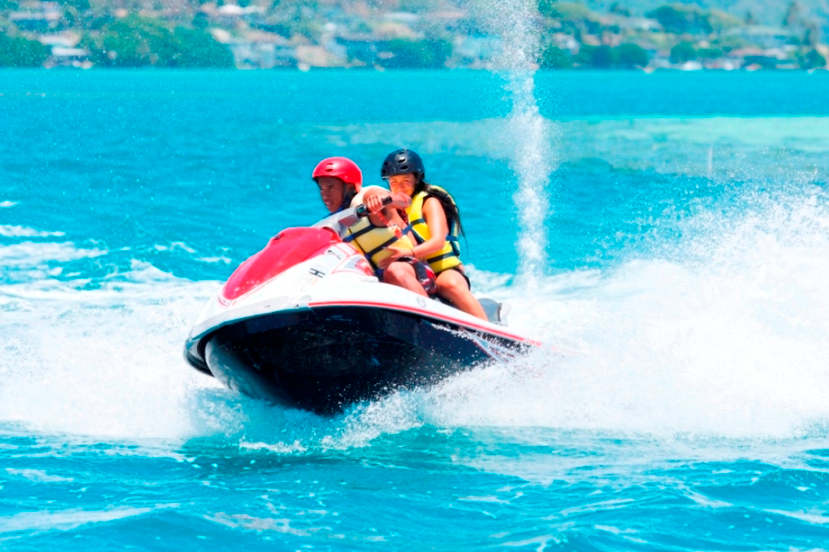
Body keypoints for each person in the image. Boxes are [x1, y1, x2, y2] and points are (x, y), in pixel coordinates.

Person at [376, 149, 488, 321]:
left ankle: (488, 330)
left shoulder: (429, 202)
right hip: (416, 269)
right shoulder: (392, 207)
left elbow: (438, 241)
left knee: (449, 284)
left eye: (405, 181)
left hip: (442, 268)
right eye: (394, 182)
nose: (399, 187)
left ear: (417, 179)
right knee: (392, 273)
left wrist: (408, 253)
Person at [312, 156, 436, 296]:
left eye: (330, 187)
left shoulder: (368, 196)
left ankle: (427, 308)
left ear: (349, 187)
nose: (325, 195)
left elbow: (405, 200)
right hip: (379, 283)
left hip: (416, 272)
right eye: (321, 188)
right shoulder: (333, 223)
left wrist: (384, 200)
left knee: (394, 270)